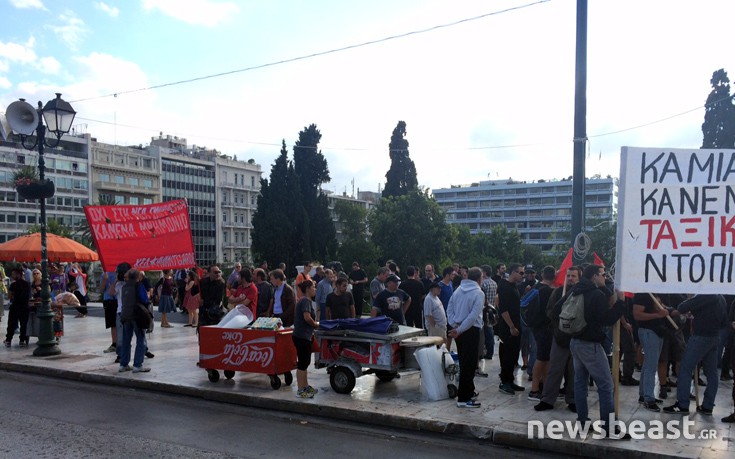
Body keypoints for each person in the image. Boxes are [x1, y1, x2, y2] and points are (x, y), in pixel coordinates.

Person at [568, 265, 627, 438]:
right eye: (602, 275)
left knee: (580, 383)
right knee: (606, 385)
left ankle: (582, 422)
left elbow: (558, 310)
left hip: (575, 341)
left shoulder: (575, 290)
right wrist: (621, 303)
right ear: (594, 277)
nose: (605, 278)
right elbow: (607, 319)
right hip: (590, 345)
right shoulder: (596, 294)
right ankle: (609, 427)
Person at [663, 294, 728, 415]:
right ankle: (708, 406)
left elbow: (682, 306)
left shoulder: (706, 295)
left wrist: (691, 298)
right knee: (712, 373)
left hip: (701, 336)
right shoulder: (721, 298)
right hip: (714, 336)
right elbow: (724, 321)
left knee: (685, 368)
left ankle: (682, 404)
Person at [535, 266, 582, 412]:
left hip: (576, 338)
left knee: (574, 371)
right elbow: (550, 312)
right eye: (568, 275)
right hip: (560, 336)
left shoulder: (582, 294)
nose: (570, 279)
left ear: (579, 278)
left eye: (573, 276)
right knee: (555, 369)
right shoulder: (557, 292)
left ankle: (573, 399)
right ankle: (548, 399)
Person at [447, 267, 484, 408]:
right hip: (470, 330)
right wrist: (460, 329)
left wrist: (454, 324)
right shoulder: (478, 293)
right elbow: (473, 316)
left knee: (464, 363)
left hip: (459, 330)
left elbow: (449, 308)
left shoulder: (458, 290)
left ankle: (468, 391)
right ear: (479, 278)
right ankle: (464, 398)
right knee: (469, 365)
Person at [632, 293, 671, 411]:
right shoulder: (643, 294)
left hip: (657, 331)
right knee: (650, 366)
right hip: (649, 331)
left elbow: (662, 307)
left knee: (648, 364)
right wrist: (657, 315)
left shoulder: (656, 292)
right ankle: (648, 398)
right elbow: (637, 314)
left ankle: (644, 394)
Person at [527, 266, 556, 401]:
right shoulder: (551, 291)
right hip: (545, 327)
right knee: (542, 358)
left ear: (542, 274)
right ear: (554, 276)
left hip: (536, 326)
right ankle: (534, 390)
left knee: (545, 358)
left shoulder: (536, 288)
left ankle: (543, 386)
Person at [497, 263, 525, 395]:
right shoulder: (504, 286)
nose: (522, 275)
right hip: (508, 327)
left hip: (516, 325)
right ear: (513, 272)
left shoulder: (514, 286)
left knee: (513, 355)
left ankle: (510, 379)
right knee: (507, 355)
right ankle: (504, 382)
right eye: (521, 273)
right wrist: (511, 326)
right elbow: (503, 309)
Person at [119, 268, 151, 373]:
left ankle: (123, 364)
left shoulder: (124, 287)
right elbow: (144, 299)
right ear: (138, 277)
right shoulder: (138, 285)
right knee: (141, 340)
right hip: (137, 316)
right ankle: (137, 365)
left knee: (126, 340)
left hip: (125, 315)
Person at [293, 279, 319, 398]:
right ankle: (300, 389)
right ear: (308, 289)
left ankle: (305, 386)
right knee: (303, 363)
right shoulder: (305, 301)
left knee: (306, 362)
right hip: (302, 336)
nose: (315, 289)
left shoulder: (305, 300)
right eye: (313, 287)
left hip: (303, 336)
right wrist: (316, 324)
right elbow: (307, 318)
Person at [4, 268, 30, 347]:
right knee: (23, 324)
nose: (12, 276)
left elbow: (9, 296)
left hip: (15, 305)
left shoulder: (13, 284)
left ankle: (8, 340)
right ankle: (22, 340)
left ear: (19, 274)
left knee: (11, 323)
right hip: (25, 306)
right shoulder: (27, 284)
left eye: (14, 274)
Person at [480, 265, 498, 360]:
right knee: (490, 332)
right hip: (492, 310)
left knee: (486, 333)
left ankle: (487, 352)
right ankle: (490, 352)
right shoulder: (494, 283)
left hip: (484, 310)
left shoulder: (483, 284)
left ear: (484, 273)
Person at [100, 270, 118, 353]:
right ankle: (114, 343)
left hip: (119, 300)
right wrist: (104, 280)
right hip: (109, 301)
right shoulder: (105, 274)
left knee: (120, 323)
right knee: (112, 324)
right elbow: (101, 289)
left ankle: (120, 342)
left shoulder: (120, 272)